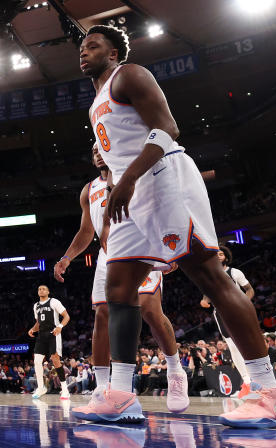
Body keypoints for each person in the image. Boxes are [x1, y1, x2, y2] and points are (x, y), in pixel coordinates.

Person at [72, 25, 276, 427]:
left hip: (160, 179)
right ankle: (121, 394)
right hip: (130, 191)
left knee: (210, 276)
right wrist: (121, 184)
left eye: (92, 46)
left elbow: (167, 129)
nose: (83, 52)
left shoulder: (130, 75)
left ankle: (271, 392)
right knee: (118, 290)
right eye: (81, 47)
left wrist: (125, 181)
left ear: (113, 54)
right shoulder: (96, 101)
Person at [54, 145, 188, 412]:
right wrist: (67, 257)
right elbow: (85, 231)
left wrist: (168, 247)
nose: (97, 153)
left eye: (101, 147)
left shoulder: (134, 174)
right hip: (108, 256)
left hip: (141, 246)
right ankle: (103, 389)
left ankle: (175, 370)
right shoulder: (88, 190)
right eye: (92, 150)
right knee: (102, 315)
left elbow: (162, 206)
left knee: (150, 310)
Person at [200, 244, 255, 397]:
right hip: (221, 313)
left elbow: (250, 289)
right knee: (233, 347)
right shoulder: (210, 275)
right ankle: (246, 382)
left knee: (247, 344)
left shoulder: (234, 272)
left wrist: (244, 302)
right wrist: (204, 301)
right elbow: (207, 295)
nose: (218, 256)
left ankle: (257, 380)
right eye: (215, 254)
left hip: (238, 310)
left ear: (226, 257)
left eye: (221, 254)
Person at [27, 285, 70, 400]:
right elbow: (38, 323)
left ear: (48, 291)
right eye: (39, 289)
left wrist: (60, 326)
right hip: (41, 335)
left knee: (55, 360)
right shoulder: (36, 306)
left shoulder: (54, 301)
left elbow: (66, 316)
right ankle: (41, 388)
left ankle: (65, 389)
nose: (41, 290)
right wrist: (32, 329)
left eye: (44, 289)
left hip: (53, 333)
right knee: (37, 361)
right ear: (37, 292)